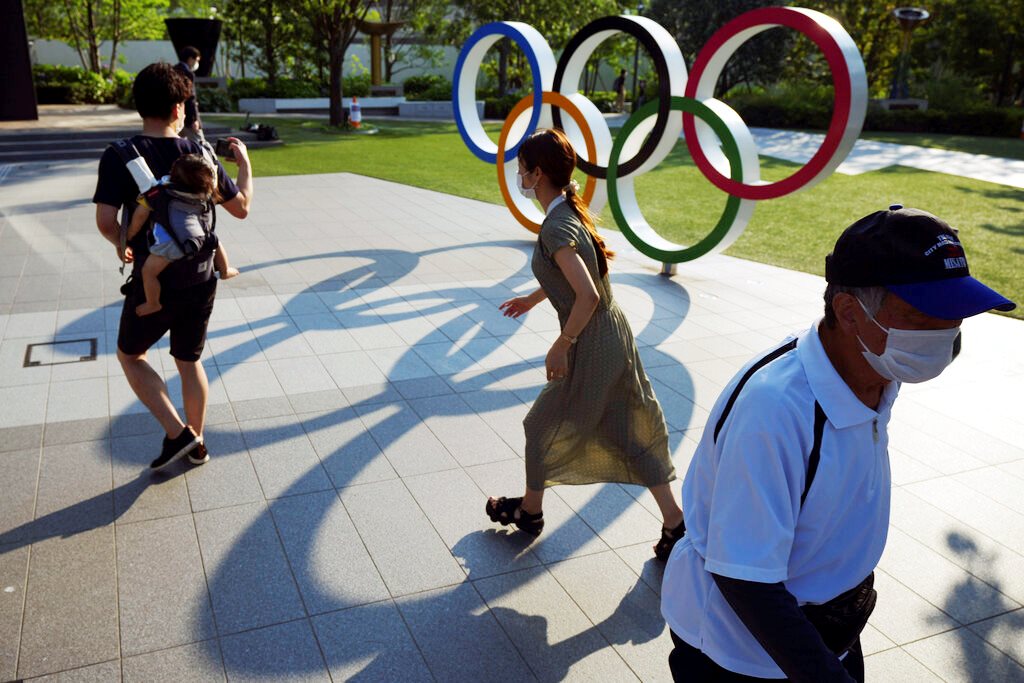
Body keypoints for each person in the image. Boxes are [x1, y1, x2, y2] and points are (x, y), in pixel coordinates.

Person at [660, 205, 1015, 681]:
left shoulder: (878, 369)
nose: (946, 337)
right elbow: (744, 577)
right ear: (850, 312)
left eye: (954, 317)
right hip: (745, 654)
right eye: (923, 316)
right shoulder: (775, 412)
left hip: (831, 628)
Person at [485, 129, 684, 561]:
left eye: (522, 169)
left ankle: (530, 512)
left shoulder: (557, 225)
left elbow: (588, 295)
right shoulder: (569, 214)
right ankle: (676, 523)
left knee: (539, 425)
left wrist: (562, 342)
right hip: (610, 334)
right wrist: (534, 297)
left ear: (538, 174)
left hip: (592, 342)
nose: (519, 174)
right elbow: (579, 281)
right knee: (628, 428)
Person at [94, 62, 253, 470]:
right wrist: (245, 165)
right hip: (201, 278)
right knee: (189, 360)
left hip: (156, 280)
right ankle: (196, 444)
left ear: (139, 106)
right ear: (180, 106)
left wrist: (122, 245)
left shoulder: (118, 156)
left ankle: (177, 433)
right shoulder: (199, 153)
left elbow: (106, 223)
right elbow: (241, 209)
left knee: (132, 355)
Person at [130, 153, 240, 317]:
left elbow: (139, 217)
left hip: (171, 243)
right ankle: (225, 271)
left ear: (173, 173)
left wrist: (130, 234)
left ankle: (153, 303)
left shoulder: (158, 193)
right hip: (202, 237)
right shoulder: (206, 192)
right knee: (215, 241)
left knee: (148, 272)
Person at [174, 46, 203, 145]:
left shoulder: (172, 70)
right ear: (190, 59)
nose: (197, 63)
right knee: (199, 145)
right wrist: (194, 119)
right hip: (188, 118)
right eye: (197, 60)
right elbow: (191, 98)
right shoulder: (188, 74)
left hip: (174, 117)